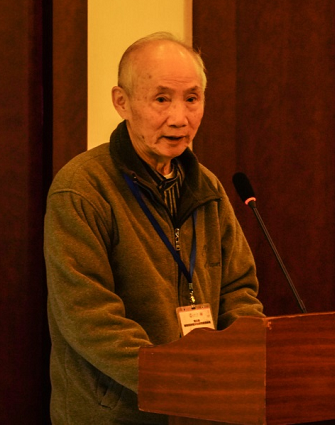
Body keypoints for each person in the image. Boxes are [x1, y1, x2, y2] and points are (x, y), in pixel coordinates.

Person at [44, 32, 264, 424]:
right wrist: (174, 381)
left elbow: (238, 291)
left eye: (192, 99)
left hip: (203, 410)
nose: (179, 118)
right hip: (117, 414)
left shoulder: (207, 188)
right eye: (162, 99)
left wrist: (239, 365)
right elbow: (89, 318)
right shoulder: (81, 188)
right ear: (122, 102)